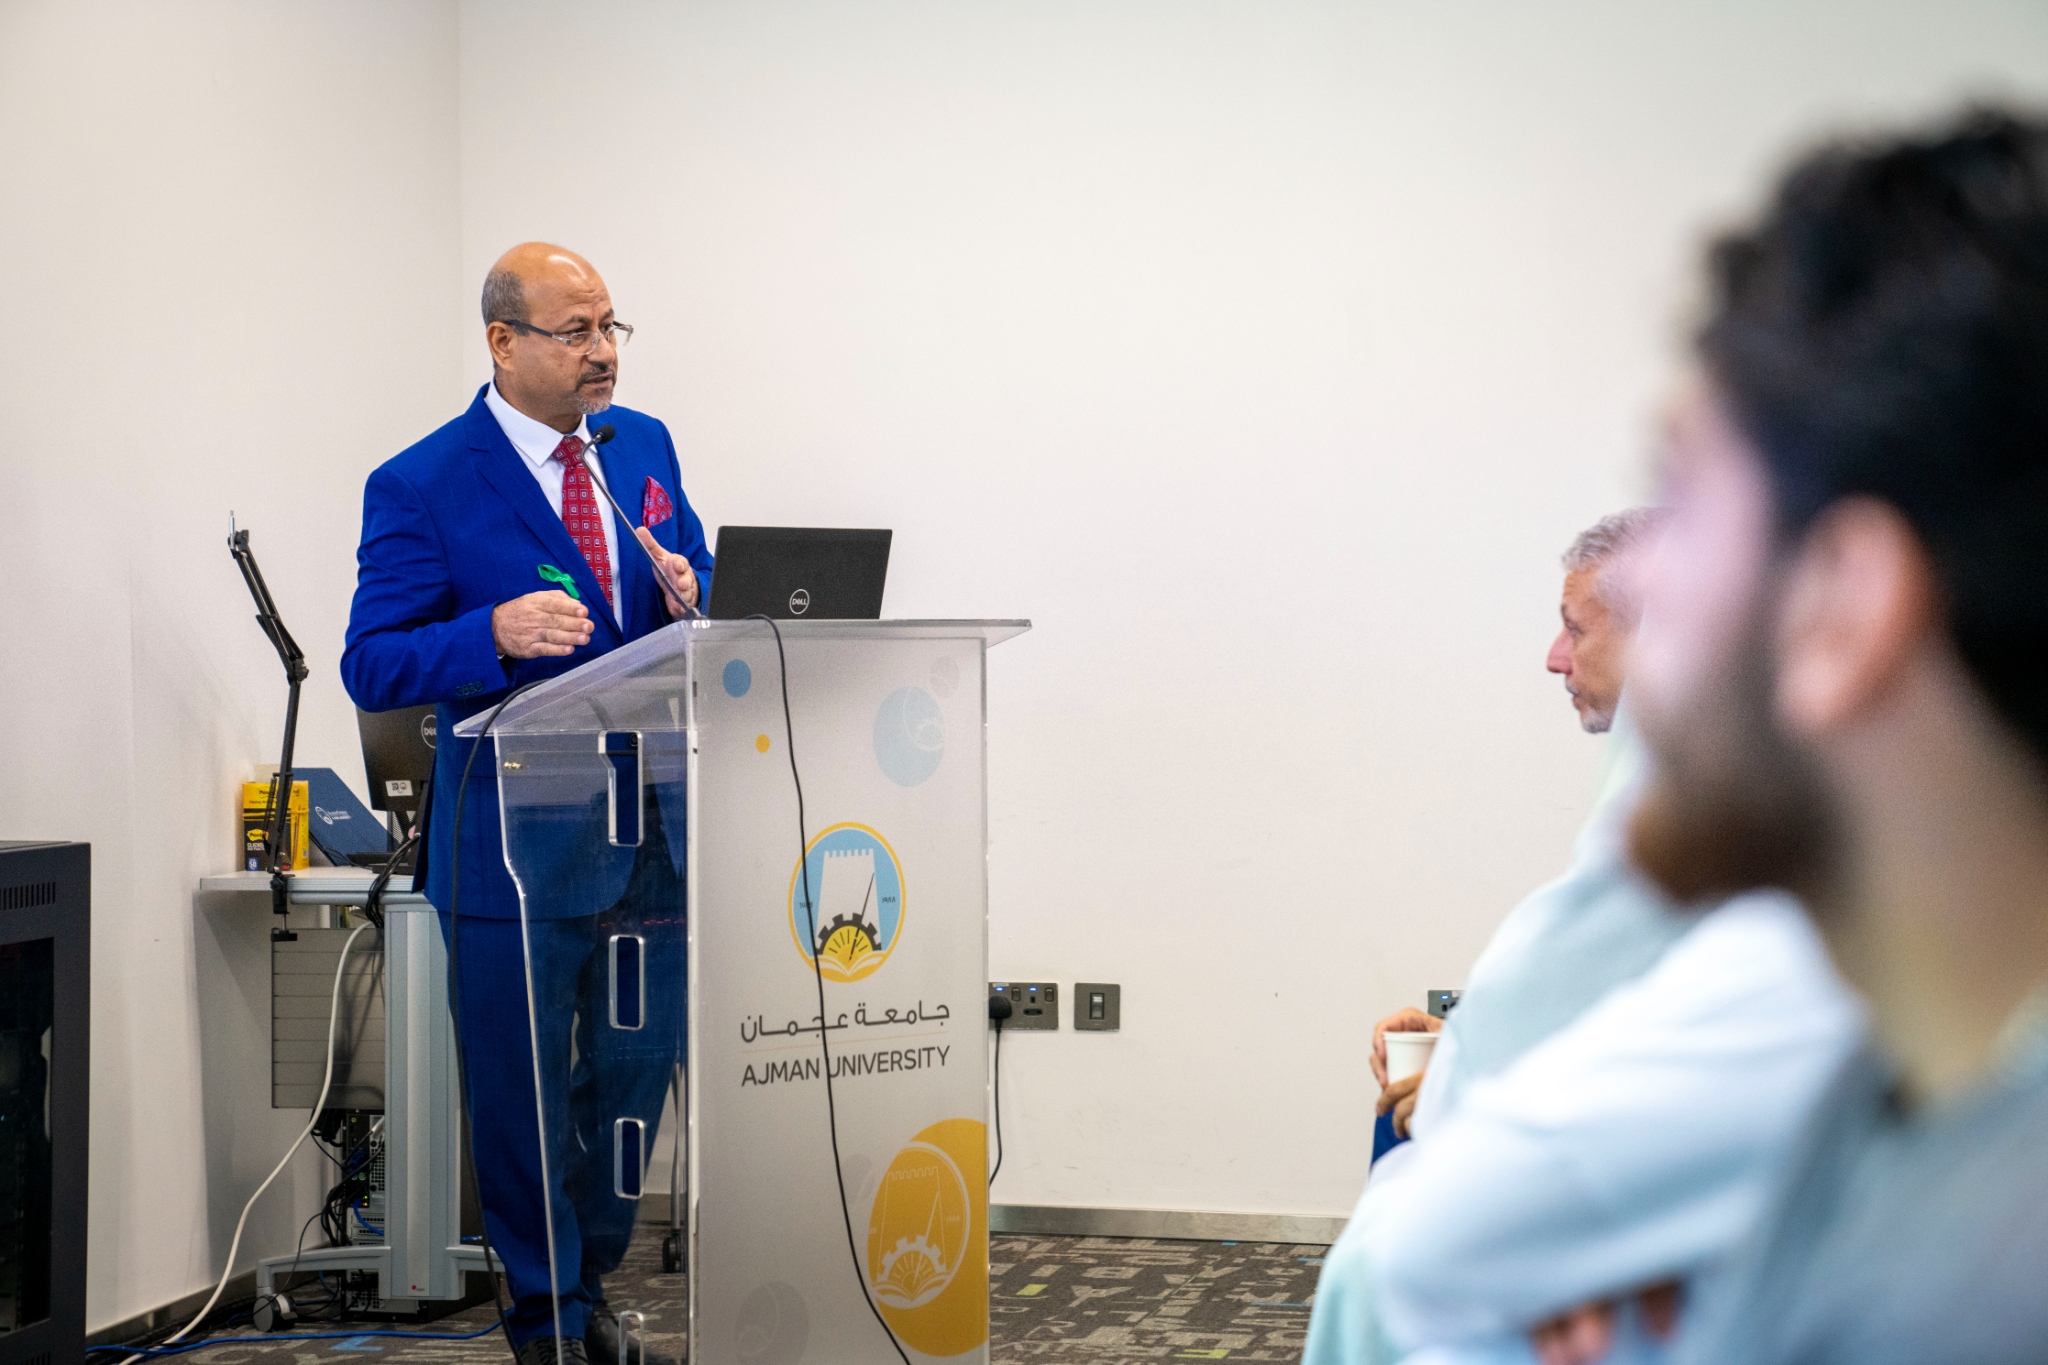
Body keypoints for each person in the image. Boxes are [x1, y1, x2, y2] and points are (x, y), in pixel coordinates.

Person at [1611, 110, 2048, 1365]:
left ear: (1842, 608)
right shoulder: (1885, 1097)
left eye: (1680, 500)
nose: (1631, 578)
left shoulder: (1973, 1309)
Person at [342, 243, 711, 1365]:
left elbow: (690, 577)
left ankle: (584, 1293)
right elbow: (372, 662)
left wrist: (695, 590)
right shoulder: (422, 482)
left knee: (630, 1090)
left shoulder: (639, 445)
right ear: (503, 342)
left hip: (650, 833)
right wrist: (488, 634)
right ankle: (549, 1327)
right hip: (513, 848)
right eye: (575, 331)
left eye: (610, 327)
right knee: (526, 1099)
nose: (603, 352)